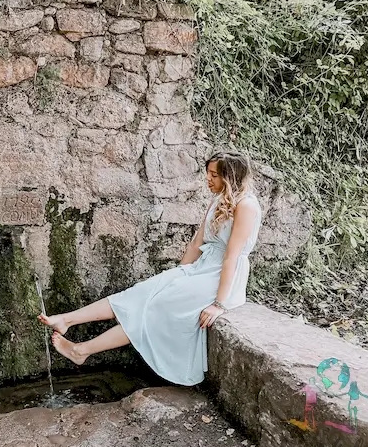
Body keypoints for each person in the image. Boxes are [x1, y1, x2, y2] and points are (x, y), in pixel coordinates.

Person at [38, 150, 263, 386]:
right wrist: (176, 274)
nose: (208, 179)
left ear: (230, 177)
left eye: (214, 175)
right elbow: (197, 242)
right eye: (208, 173)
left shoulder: (246, 206)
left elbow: (231, 257)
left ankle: (82, 350)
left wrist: (218, 304)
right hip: (200, 269)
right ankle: (67, 320)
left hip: (222, 277)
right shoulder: (217, 200)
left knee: (155, 306)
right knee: (140, 293)